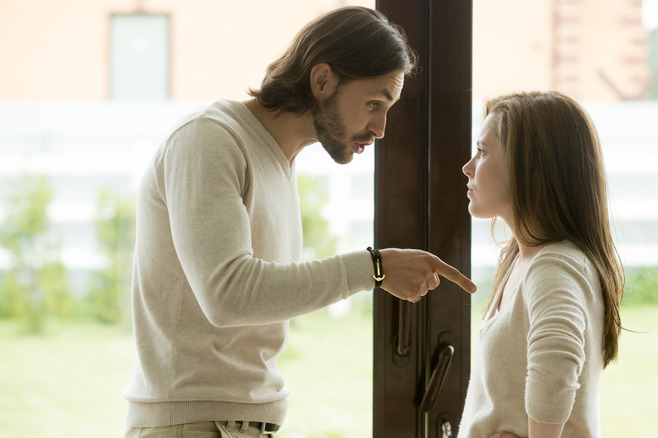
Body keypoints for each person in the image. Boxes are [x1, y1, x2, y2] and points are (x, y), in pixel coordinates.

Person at [122, 6, 476, 438]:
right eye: (373, 104)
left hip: (236, 422)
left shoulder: (276, 160)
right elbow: (227, 294)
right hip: (192, 423)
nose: (381, 128)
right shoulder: (209, 139)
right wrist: (375, 268)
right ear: (322, 80)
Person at [458, 91, 624, 438]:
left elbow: (555, 372)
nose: (468, 167)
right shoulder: (523, 258)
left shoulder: (554, 267)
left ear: (529, 169)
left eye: (483, 152)